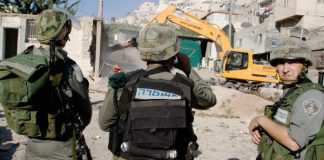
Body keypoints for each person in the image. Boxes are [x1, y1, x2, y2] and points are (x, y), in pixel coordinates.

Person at [98, 23, 216, 160]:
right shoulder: (184, 86)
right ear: (174, 54)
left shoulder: (125, 84)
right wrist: (188, 69)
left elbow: (104, 124)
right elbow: (209, 100)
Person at [0, 9, 92, 159]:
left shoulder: (23, 61)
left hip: (32, 145)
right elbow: (85, 113)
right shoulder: (69, 67)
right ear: (63, 35)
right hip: (63, 147)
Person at [248, 37, 324, 160]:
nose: (285, 69)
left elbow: (293, 142)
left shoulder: (311, 97)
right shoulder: (291, 92)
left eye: (292, 62)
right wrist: (263, 130)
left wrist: (260, 120)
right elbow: (282, 125)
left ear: (304, 66)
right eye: (281, 63)